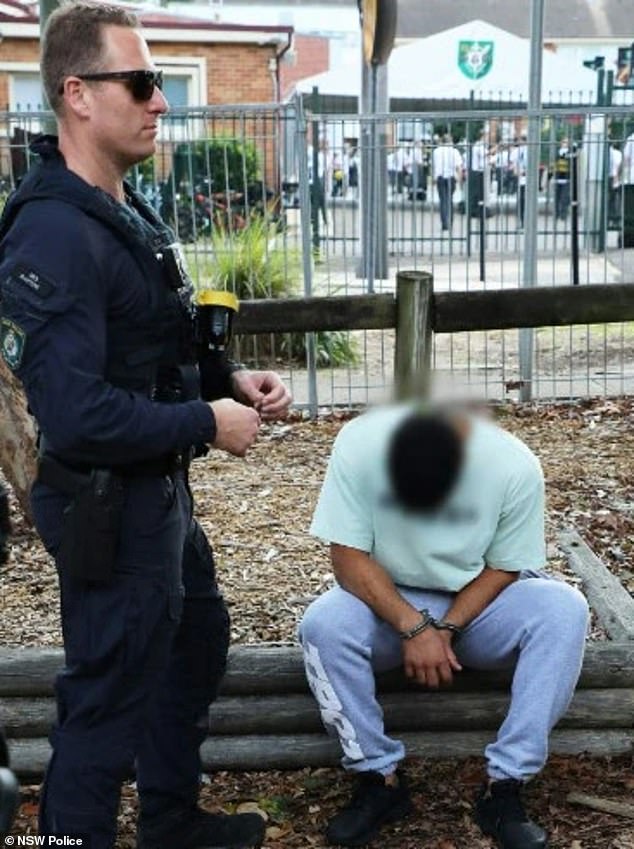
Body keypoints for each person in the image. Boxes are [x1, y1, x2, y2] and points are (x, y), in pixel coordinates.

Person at [0, 3, 292, 848]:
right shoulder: (51, 234)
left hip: (156, 487)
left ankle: (169, 818)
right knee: (106, 697)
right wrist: (207, 418)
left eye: (159, 82)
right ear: (78, 95)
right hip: (103, 500)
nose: (160, 100)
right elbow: (76, 413)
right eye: (142, 82)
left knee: (195, 638)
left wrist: (230, 378)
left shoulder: (125, 206)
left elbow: (154, 339)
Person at [299, 404, 589, 849]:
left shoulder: (514, 464)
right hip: (388, 598)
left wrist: (446, 628)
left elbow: (505, 567)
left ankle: (505, 785)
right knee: (323, 624)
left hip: (476, 602)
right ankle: (379, 778)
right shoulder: (359, 443)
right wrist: (413, 628)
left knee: (564, 609)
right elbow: (348, 560)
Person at [432, 133, 463, 231]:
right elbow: (459, 167)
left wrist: (433, 177)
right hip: (451, 177)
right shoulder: (454, 151)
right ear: (451, 141)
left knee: (442, 201)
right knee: (449, 200)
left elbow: (433, 166)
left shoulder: (436, 151)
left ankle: (444, 223)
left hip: (440, 178)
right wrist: (460, 178)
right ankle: (450, 221)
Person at [553, 137, 571, 222]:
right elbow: (554, 164)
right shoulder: (557, 152)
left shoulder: (570, 153)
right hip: (558, 177)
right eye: (564, 142)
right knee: (557, 197)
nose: (565, 144)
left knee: (564, 198)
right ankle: (556, 214)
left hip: (567, 178)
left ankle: (563, 215)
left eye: (567, 142)